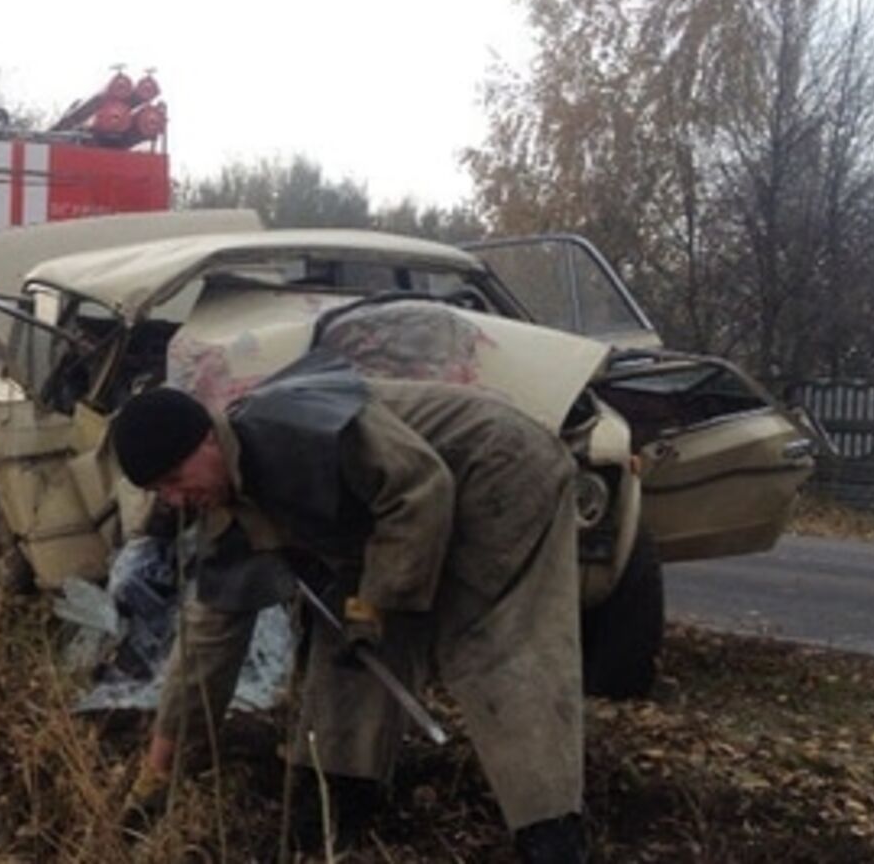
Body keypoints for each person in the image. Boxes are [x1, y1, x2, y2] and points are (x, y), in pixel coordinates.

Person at [110, 352, 588, 863]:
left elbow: (419, 489)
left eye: (175, 477)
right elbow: (207, 644)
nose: (175, 499)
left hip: (495, 468)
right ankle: (342, 792)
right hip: (411, 508)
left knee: (492, 642)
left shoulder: (292, 428)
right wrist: (159, 770)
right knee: (345, 632)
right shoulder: (229, 514)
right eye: (160, 491)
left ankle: (550, 829)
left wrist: (376, 603)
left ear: (208, 438)